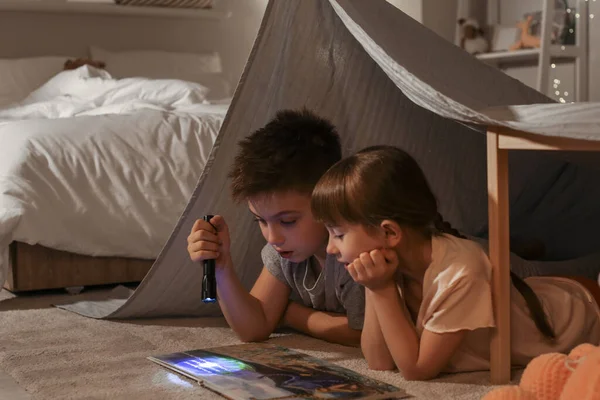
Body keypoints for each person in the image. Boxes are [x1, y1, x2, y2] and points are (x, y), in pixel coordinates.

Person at [310, 144, 600, 380]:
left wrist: (382, 290)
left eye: (338, 234)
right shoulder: (387, 267)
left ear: (389, 232)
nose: (330, 248)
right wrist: (376, 288)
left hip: (579, 314)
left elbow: (417, 370)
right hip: (537, 296)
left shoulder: (460, 271)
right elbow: (378, 362)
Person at [186, 109, 365, 346]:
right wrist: (222, 267)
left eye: (288, 221)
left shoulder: (355, 250)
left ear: (329, 197)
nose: (273, 237)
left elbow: (365, 334)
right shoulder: (286, 251)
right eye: (260, 220)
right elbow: (254, 328)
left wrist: (292, 314)